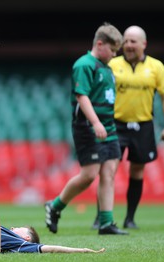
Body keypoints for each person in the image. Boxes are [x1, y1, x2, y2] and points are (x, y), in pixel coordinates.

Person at [44, 23, 128, 235]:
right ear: (100, 44)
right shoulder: (84, 64)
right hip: (88, 127)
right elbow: (82, 96)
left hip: (109, 127)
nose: (115, 54)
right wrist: (96, 122)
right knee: (90, 174)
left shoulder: (107, 69)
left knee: (109, 172)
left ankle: (106, 222)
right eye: (113, 49)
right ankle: (55, 206)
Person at [92, 25, 164, 229]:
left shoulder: (156, 67)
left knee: (137, 172)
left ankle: (130, 219)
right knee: (108, 170)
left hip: (143, 125)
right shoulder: (111, 63)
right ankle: (101, 217)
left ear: (144, 44)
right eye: (126, 41)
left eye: (132, 41)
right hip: (115, 125)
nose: (128, 45)